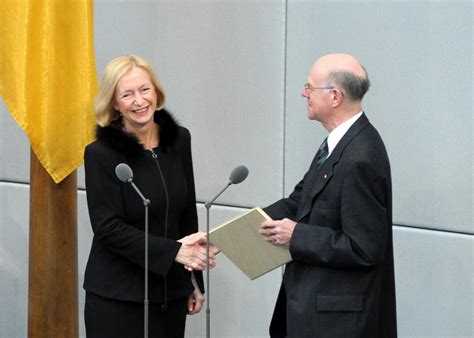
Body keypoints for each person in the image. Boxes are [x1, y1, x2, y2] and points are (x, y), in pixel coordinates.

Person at [259, 54, 397, 338]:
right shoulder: (338, 144)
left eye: (310, 87)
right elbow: (299, 202)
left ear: (335, 96)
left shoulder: (361, 157)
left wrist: (296, 235)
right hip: (313, 315)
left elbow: (364, 248)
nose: (303, 93)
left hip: (337, 324)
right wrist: (227, 235)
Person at [83, 55, 217, 338]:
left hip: (170, 294)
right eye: (127, 94)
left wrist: (193, 277)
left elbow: (186, 213)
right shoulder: (101, 154)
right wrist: (175, 252)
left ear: (156, 92)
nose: (139, 101)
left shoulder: (179, 140)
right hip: (117, 299)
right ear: (115, 104)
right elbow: (107, 228)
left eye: (145, 90)